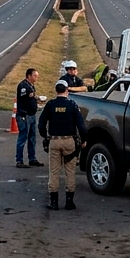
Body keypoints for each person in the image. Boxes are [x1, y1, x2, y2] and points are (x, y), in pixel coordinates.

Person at [39, 79, 87, 210]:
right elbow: (81, 126)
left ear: (56, 90)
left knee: (54, 172)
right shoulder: (72, 105)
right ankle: (69, 202)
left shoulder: (50, 105)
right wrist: (83, 140)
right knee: (70, 172)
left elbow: (41, 124)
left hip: (54, 141)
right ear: (67, 91)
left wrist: (45, 136)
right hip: (69, 141)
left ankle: (54, 203)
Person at [15, 68, 43, 168]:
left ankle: (32, 158)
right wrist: (30, 94)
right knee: (23, 138)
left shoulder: (31, 86)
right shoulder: (23, 85)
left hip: (32, 115)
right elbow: (23, 96)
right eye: (35, 76)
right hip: (24, 115)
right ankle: (19, 160)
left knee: (32, 138)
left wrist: (36, 99)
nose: (36, 78)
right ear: (29, 76)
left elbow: (31, 97)